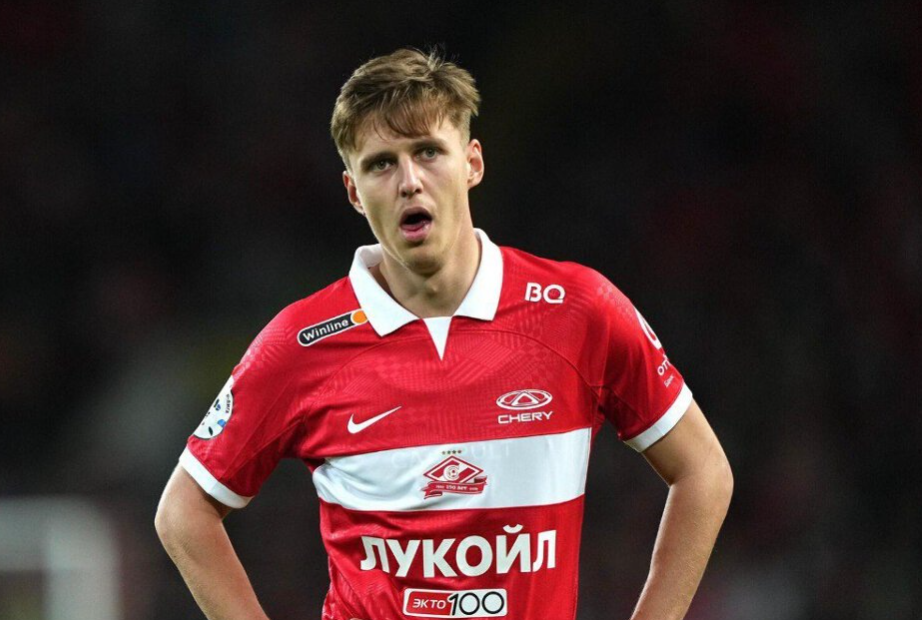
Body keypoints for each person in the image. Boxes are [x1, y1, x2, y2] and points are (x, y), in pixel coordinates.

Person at [156, 48, 733, 620]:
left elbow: (703, 471)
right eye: (381, 164)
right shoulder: (302, 342)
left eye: (428, 152)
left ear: (472, 163)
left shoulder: (579, 311)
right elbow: (184, 510)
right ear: (354, 191)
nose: (409, 181)